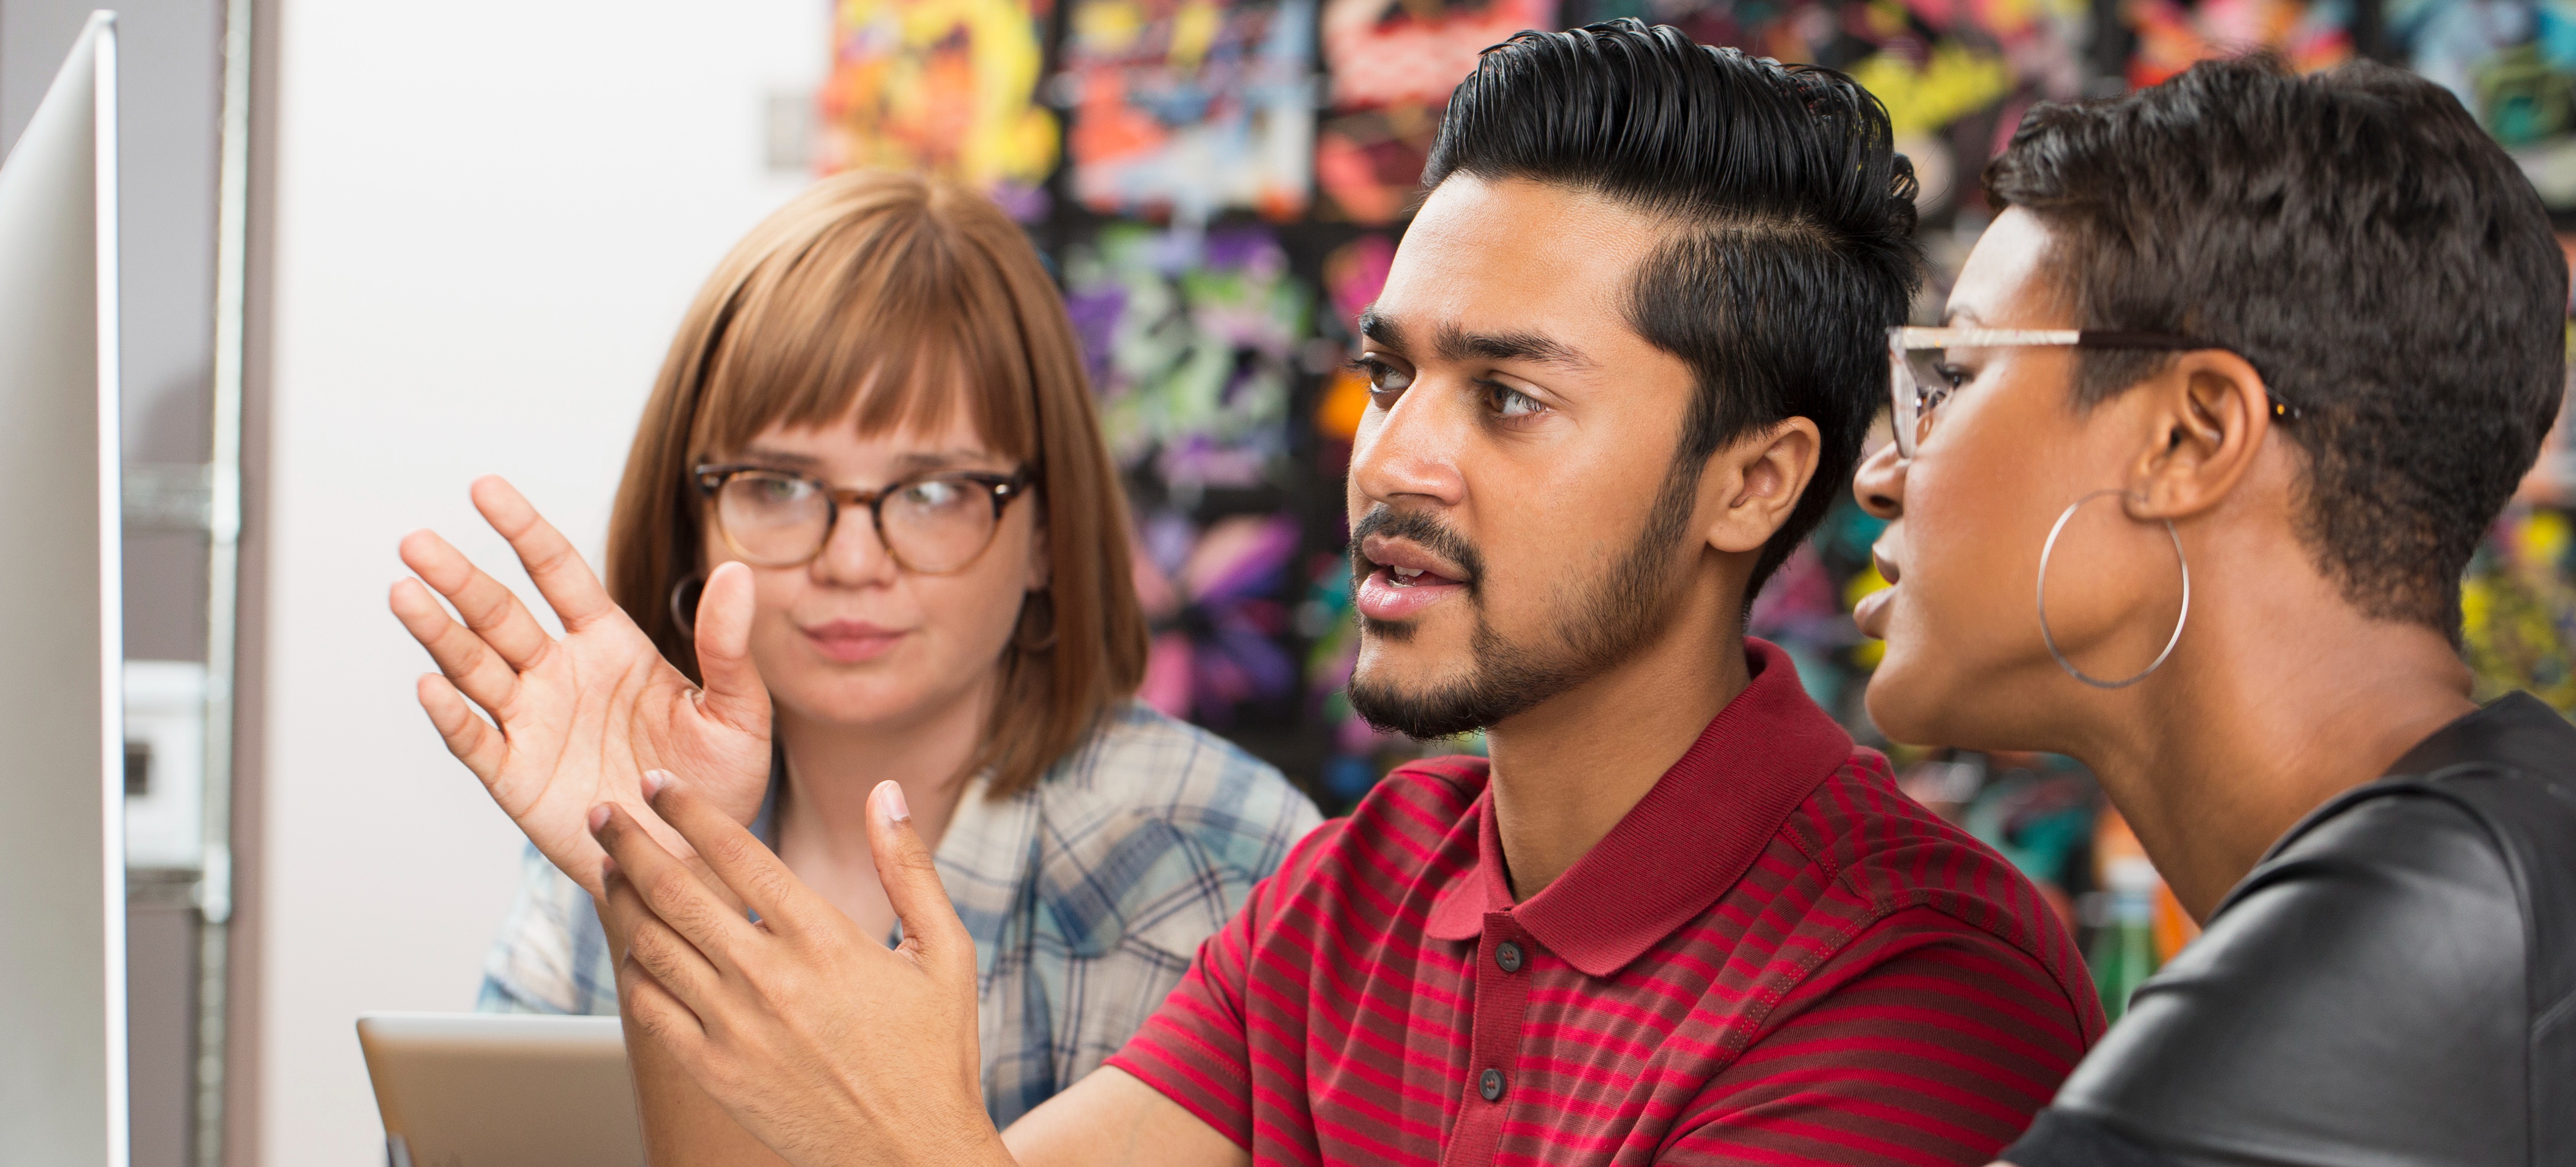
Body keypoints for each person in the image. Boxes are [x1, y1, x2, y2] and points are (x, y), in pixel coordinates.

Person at [547, 21, 2106, 1166]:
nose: (1391, 455)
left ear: (1752, 482)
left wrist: (901, 1121)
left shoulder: (1916, 980)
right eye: (1390, 372)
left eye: (1507, 398)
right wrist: (665, 880)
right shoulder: (1350, 898)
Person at [387, 169, 1321, 1125]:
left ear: (1046, 532)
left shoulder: (1221, 857)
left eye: (933, 493)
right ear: (692, 523)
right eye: (779, 487)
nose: (852, 561)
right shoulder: (627, 809)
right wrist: (663, 890)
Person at [1846, 57, 2573, 1166]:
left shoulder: (2429, 920)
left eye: (1958, 375)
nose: (1880, 472)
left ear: (2190, 437)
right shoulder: (2505, 850)